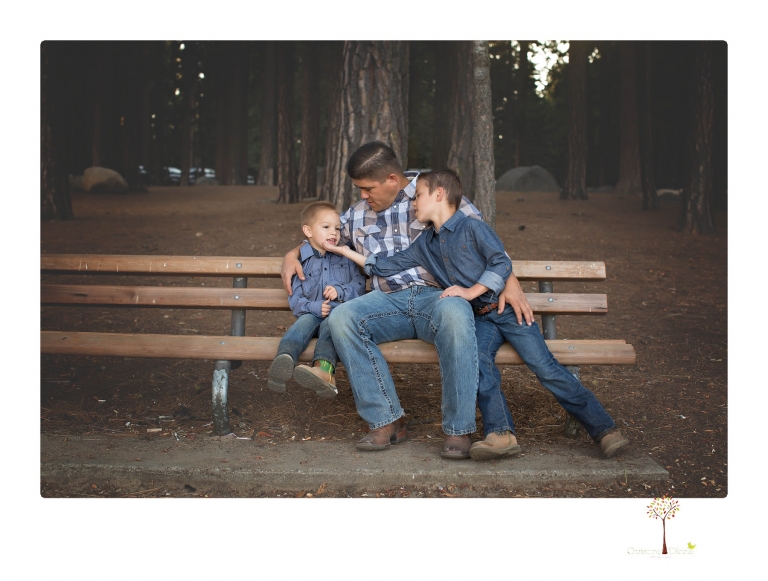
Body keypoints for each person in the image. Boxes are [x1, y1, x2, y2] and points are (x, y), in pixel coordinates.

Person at [325, 169, 630, 460]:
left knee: (545, 367)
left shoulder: (473, 227)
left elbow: (500, 262)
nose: (413, 202)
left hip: (507, 312)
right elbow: (383, 265)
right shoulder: (426, 244)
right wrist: (343, 251)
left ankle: (604, 429)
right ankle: (501, 435)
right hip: (480, 318)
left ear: (439, 194)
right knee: (482, 370)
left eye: (418, 195)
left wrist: (470, 291)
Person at [283, 141, 533, 459]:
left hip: (439, 297)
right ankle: (387, 420)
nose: (362, 195)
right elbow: (324, 238)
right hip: (386, 301)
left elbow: (483, 239)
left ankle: (459, 429)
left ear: (391, 179)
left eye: (366, 188)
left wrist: (510, 282)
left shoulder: (433, 194)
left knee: (457, 313)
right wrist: (292, 254)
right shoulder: (356, 216)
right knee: (343, 317)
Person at [268, 201, 366, 398]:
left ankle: (323, 370)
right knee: (302, 324)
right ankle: (284, 359)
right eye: (326, 227)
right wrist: (313, 307)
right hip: (311, 314)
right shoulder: (301, 261)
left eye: (337, 229)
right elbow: (295, 297)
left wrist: (340, 291)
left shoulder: (346, 257)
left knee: (331, 329)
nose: (334, 233)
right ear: (308, 231)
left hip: (337, 315)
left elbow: (359, 285)